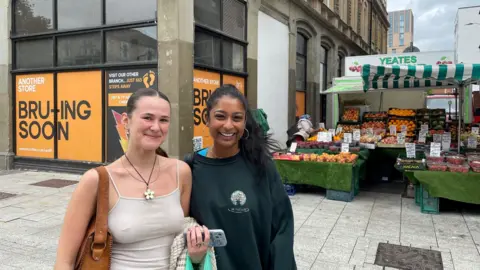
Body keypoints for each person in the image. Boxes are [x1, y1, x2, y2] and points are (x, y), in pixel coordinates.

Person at [54, 88, 210, 269]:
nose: (156, 127)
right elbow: (64, 261)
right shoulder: (98, 180)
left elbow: (180, 240)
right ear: (126, 121)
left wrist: (196, 255)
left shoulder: (181, 172)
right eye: (148, 118)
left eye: (164, 120)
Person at [185, 84, 296, 269]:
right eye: (220, 116)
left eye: (237, 118)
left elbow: (282, 229)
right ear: (207, 118)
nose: (228, 125)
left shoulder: (262, 167)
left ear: (244, 122)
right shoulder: (191, 168)